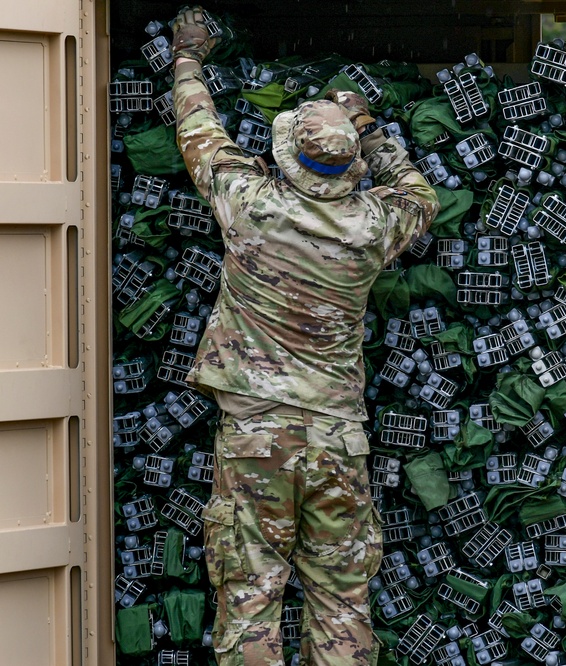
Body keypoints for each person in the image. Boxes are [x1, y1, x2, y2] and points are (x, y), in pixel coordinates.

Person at [169, 7, 440, 665]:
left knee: (250, 604)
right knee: (344, 608)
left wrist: (187, 56)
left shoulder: (250, 204)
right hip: (337, 441)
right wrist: (370, 130)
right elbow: (420, 197)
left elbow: (198, 128)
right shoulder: (373, 227)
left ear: (287, 158)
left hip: (256, 436)